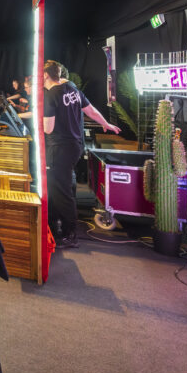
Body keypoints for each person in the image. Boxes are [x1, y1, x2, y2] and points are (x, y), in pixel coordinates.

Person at [42, 59, 120, 247]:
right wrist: (105, 124)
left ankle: (70, 234)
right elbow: (90, 110)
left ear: (45, 75)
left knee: (62, 192)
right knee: (57, 188)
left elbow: (48, 128)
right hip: (76, 146)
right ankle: (53, 226)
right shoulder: (72, 87)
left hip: (59, 149)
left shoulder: (51, 95)